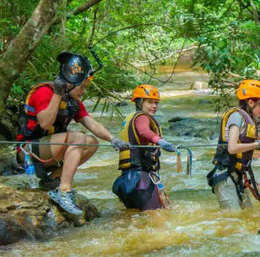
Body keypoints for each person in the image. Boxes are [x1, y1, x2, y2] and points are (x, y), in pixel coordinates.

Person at [17, 51, 129, 216]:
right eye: (82, 86)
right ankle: (64, 191)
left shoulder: (73, 102)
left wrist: (113, 139)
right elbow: (45, 123)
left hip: (48, 149)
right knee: (78, 137)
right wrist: (57, 93)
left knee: (91, 142)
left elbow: (91, 123)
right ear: (70, 82)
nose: (84, 91)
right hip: (28, 151)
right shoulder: (45, 92)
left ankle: (52, 181)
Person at [206, 79, 260, 209]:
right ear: (250, 102)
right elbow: (232, 147)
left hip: (238, 176)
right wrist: (257, 144)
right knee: (233, 219)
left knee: (249, 214)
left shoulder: (249, 123)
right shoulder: (236, 117)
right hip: (225, 176)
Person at [113, 84, 178, 211]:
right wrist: (160, 141)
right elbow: (143, 132)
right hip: (141, 180)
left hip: (127, 180)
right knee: (155, 218)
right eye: (149, 102)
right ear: (139, 103)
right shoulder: (142, 118)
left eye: (156, 103)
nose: (154, 106)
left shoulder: (131, 118)